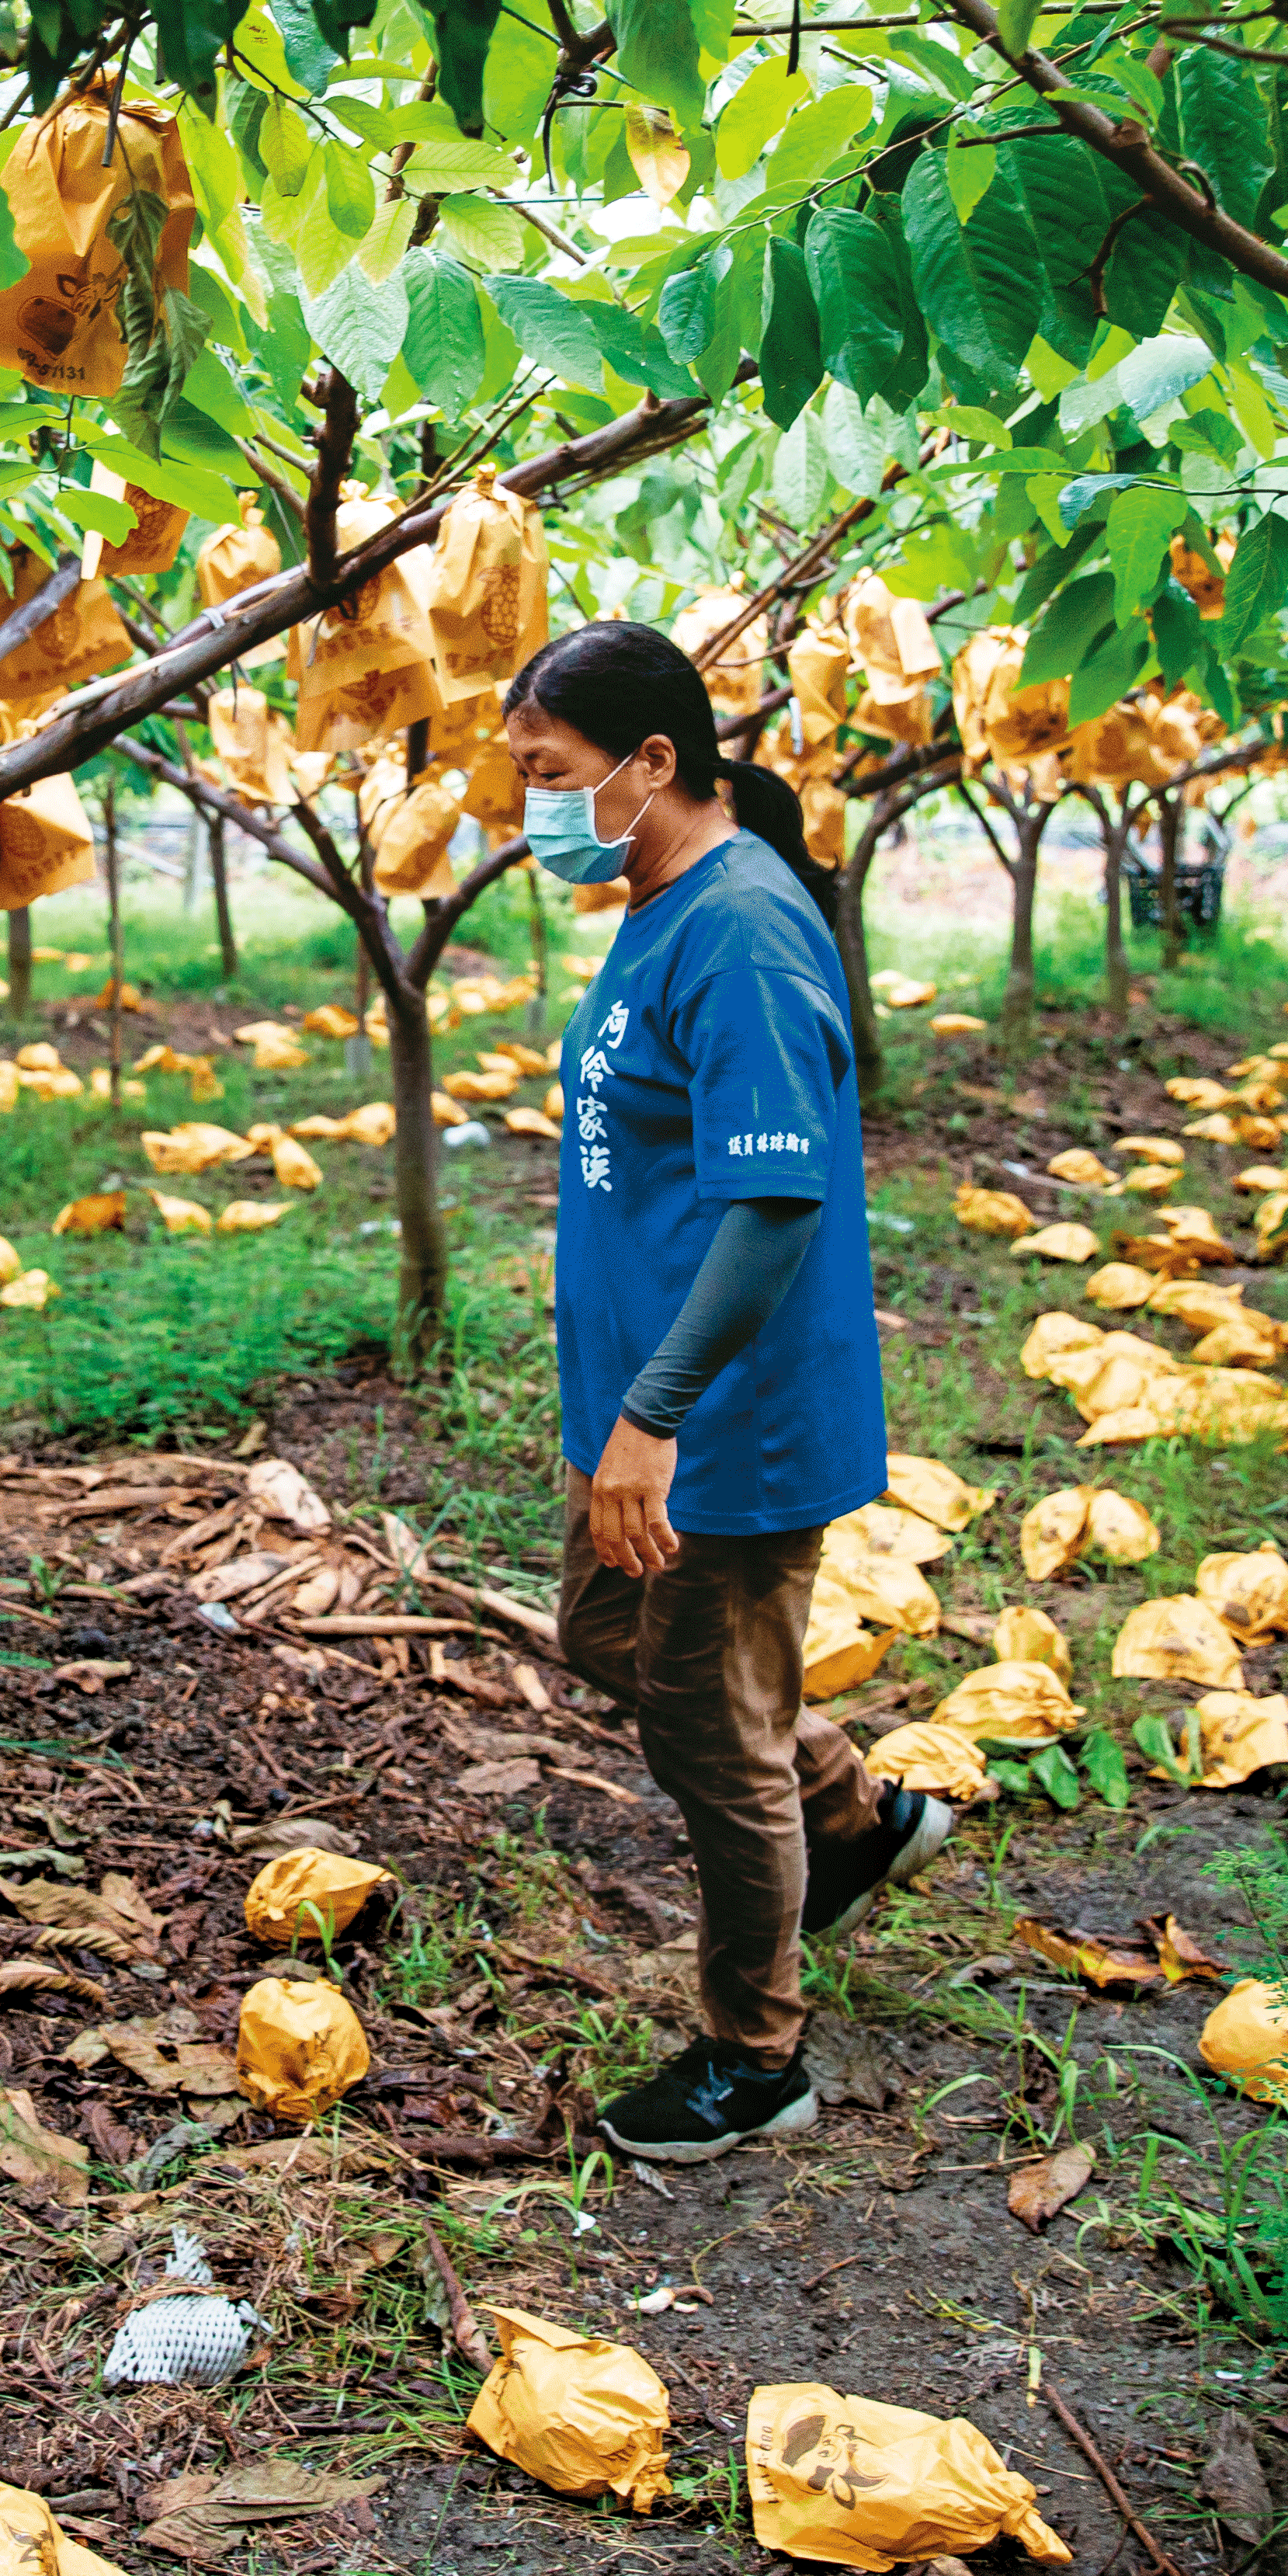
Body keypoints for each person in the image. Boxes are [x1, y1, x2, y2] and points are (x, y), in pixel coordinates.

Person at [503, 617, 946, 2164]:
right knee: (609, 1635)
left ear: (653, 764)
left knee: (706, 1729)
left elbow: (775, 1204)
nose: (531, 810)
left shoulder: (745, 925)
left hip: (716, 1426)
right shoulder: (663, 900)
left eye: (550, 774)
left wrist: (658, 1416)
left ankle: (757, 2055)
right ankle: (847, 1810)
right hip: (642, 1406)